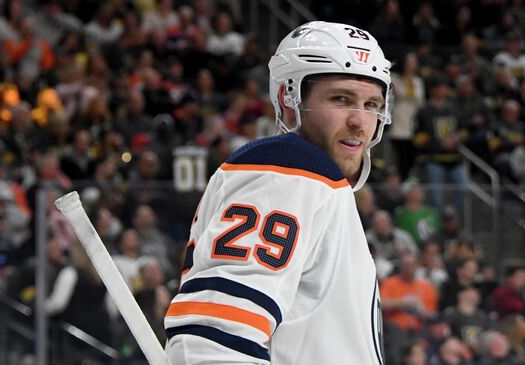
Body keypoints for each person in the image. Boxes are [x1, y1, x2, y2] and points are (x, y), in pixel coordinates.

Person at [164, 21, 393, 364]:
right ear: (290, 100)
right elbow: (217, 339)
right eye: (341, 98)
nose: (360, 121)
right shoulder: (289, 169)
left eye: (372, 104)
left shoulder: (315, 183)